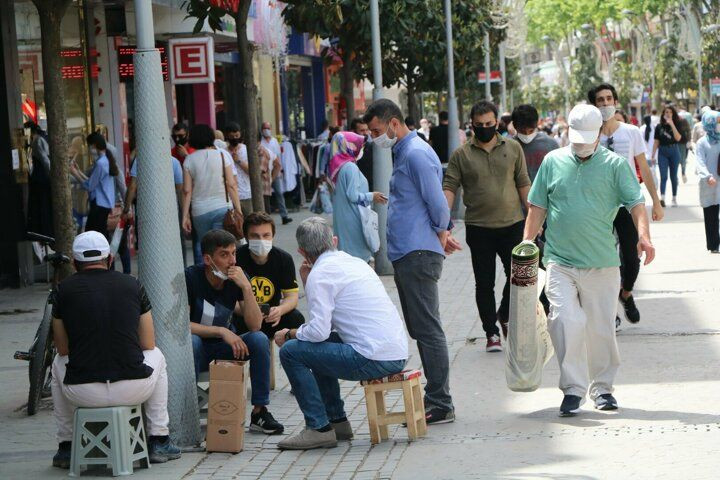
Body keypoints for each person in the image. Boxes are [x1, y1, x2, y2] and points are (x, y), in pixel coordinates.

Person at [523, 104, 654, 416]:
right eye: (576, 137)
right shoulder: (553, 162)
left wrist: (644, 236)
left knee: (600, 328)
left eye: (587, 138)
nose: (581, 144)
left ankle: (603, 388)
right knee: (565, 320)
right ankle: (573, 389)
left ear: (599, 133)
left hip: (602, 263)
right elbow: (537, 207)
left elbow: (636, 204)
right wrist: (527, 244)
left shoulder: (614, 165)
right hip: (559, 260)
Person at [274, 218, 408, 450]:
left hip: (372, 357)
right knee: (313, 347)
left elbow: (317, 331)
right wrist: (309, 283)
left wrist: (289, 334)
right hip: (394, 352)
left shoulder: (321, 274)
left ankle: (318, 428)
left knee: (291, 352)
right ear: (334, 241)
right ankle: (337, 422)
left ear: (301, 252)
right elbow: (326, 327)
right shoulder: (356, 262)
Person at [50, 231, 181, 468]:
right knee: (157, 355)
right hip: (133, 387)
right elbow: (148, 343)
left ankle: (66, 446)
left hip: (82, 391)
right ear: (109, 259)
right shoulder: (133, 285)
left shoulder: (62, 291)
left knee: (57, 363)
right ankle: (159, 439)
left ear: (75, 262)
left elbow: (62, 348)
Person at [363, 99, 455, 424]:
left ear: (393, 123)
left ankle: (440, 402)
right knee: (421, 328)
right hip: (411, 251)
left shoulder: (415, 153)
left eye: (376, 130)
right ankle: (438, 398)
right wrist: (439, 234)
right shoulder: (404, 152)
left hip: (417, 254)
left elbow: (439, 204)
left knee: (428, 329)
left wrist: (441, 232)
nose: (374, 137)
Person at [444, 101, 531, 352]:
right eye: (479, 125)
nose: (484, 128)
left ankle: (504, 313)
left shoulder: (513, 148)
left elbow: (523, 183)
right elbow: (450, 187)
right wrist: (442, 223)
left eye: (489, 124)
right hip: (478, 228)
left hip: (513, 224)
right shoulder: (461, 154)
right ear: (472, 124)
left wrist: (535, 217)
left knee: (519, 276)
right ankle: (491, 332)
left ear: (497, 123)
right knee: (484, 283)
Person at [187, 229, 284, 434]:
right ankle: (188, 415)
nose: (232, 261)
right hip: (197, 350)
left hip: (224, 349)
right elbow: (181, 326)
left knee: (258, 339)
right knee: (193, 341)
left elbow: (256, 325)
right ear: (207, 259)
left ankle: (259, 412)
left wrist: (247, 288)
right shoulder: (191, 278)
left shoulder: (238, 277)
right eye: (224, 255)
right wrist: (221, 331)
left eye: (234, 253)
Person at [588, 83, 664, 326]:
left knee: (631, 260)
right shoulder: (589, 135)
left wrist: (656, 201)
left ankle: (626, 293)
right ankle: (610, 311)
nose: (605, 103)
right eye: (600, 100)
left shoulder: (631, 132)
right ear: (594, 105)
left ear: (616, 101)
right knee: (603, 261)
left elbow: (643, 167)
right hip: (599, 206)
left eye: (609, 98)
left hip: (627, 203)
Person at [235, 212, 306, 338]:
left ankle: (290, 355)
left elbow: (292, 298)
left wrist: (279, 310)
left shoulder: (284, 259)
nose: (261, 240)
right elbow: (229, 302)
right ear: (246, 237)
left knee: (296, 319)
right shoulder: (236, 258)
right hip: (244, 315)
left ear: (273, 236)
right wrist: (252, 313)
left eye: (266, 235)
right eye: (255, 236)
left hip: (273, 316)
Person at [181, 124, 243, 265]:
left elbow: (187, 191)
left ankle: (204, 275)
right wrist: (238, 209)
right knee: (221, 247)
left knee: (205, 246)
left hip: (199, 211)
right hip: (222, 208)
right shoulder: (222, 155)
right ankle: (222, 276)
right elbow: (232, 184)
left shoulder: (189, 160)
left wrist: (185, 216)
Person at [328, 131, 388, 262]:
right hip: (353, 218)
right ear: (350, 146)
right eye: (359, 145)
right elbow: (353, 196)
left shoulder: (339, 167)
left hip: (343, 218)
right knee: (358, 257)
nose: (362, 148)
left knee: (347, 256)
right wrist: (372, 196)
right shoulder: (350, 168)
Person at [72, 133, 118, 235]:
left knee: (92, 234)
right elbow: (94, 182)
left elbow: (90, 186)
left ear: (94, 145)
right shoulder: (105, 160)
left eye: (89, 145)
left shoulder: (101, 163)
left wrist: (74, 173)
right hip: (103, 204)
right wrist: (78, 171)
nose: (88, 149)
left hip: (99, 205)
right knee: (100, 234)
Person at [511, 104, 559, 182]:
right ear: (514, 126)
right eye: (522, 131)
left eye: (531, 131)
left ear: (537, 124)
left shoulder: (550, 144)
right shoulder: (509, 146)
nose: (527, 135)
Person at [695, 110, 720, 253]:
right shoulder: (702, 142)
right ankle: (713, 244)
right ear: (710, 123)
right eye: (718, 121)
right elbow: (700, 162)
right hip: (709, 183)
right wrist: (707, 176)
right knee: (711, 215)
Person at [652, 105, 685, 207]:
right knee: (663, 176)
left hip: (674, 151)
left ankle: (674, 198)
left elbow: (678, 138)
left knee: (673, 176)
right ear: (663, 114)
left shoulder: (677, 124)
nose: (668, 114)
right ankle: (662, 198)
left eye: (670, 112)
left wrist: (672, 124)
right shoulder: (659, 126)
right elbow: (656, 141)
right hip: (662, 152)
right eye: (666, 112)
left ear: (673, 114)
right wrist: (652, 155)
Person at [261, 121, 292, 225]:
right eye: (265, 128)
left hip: (275, 171)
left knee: (279, 193)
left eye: (268, 128)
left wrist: (280, 169)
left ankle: (284, 216)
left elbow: (278, 156)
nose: (266, 130)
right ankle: (265, 217)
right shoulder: (260, 142)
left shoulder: (274, 141)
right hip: (264, 173)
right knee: (265, 196)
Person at [25, 121, 53, 237]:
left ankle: (43, 231)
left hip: (41, 178)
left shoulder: (37, 140)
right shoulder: (44, 137)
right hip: (43, 178)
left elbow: (45, 160)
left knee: (41, 206)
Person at [225, 123, 252, 217]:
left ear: (240, 134)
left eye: (237, 136)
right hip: (230, 196)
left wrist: (238, 161)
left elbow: (252, 172)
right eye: (231, 136)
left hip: (246, 193)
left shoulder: (246, 150)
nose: (234, 138)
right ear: (227, 136)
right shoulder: (224, 152)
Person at [350, 118, 374, 190]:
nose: (366, 133)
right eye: (362, 130)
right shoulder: (347, 150)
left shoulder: (371, 148)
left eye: (367, 130)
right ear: (353, 132)